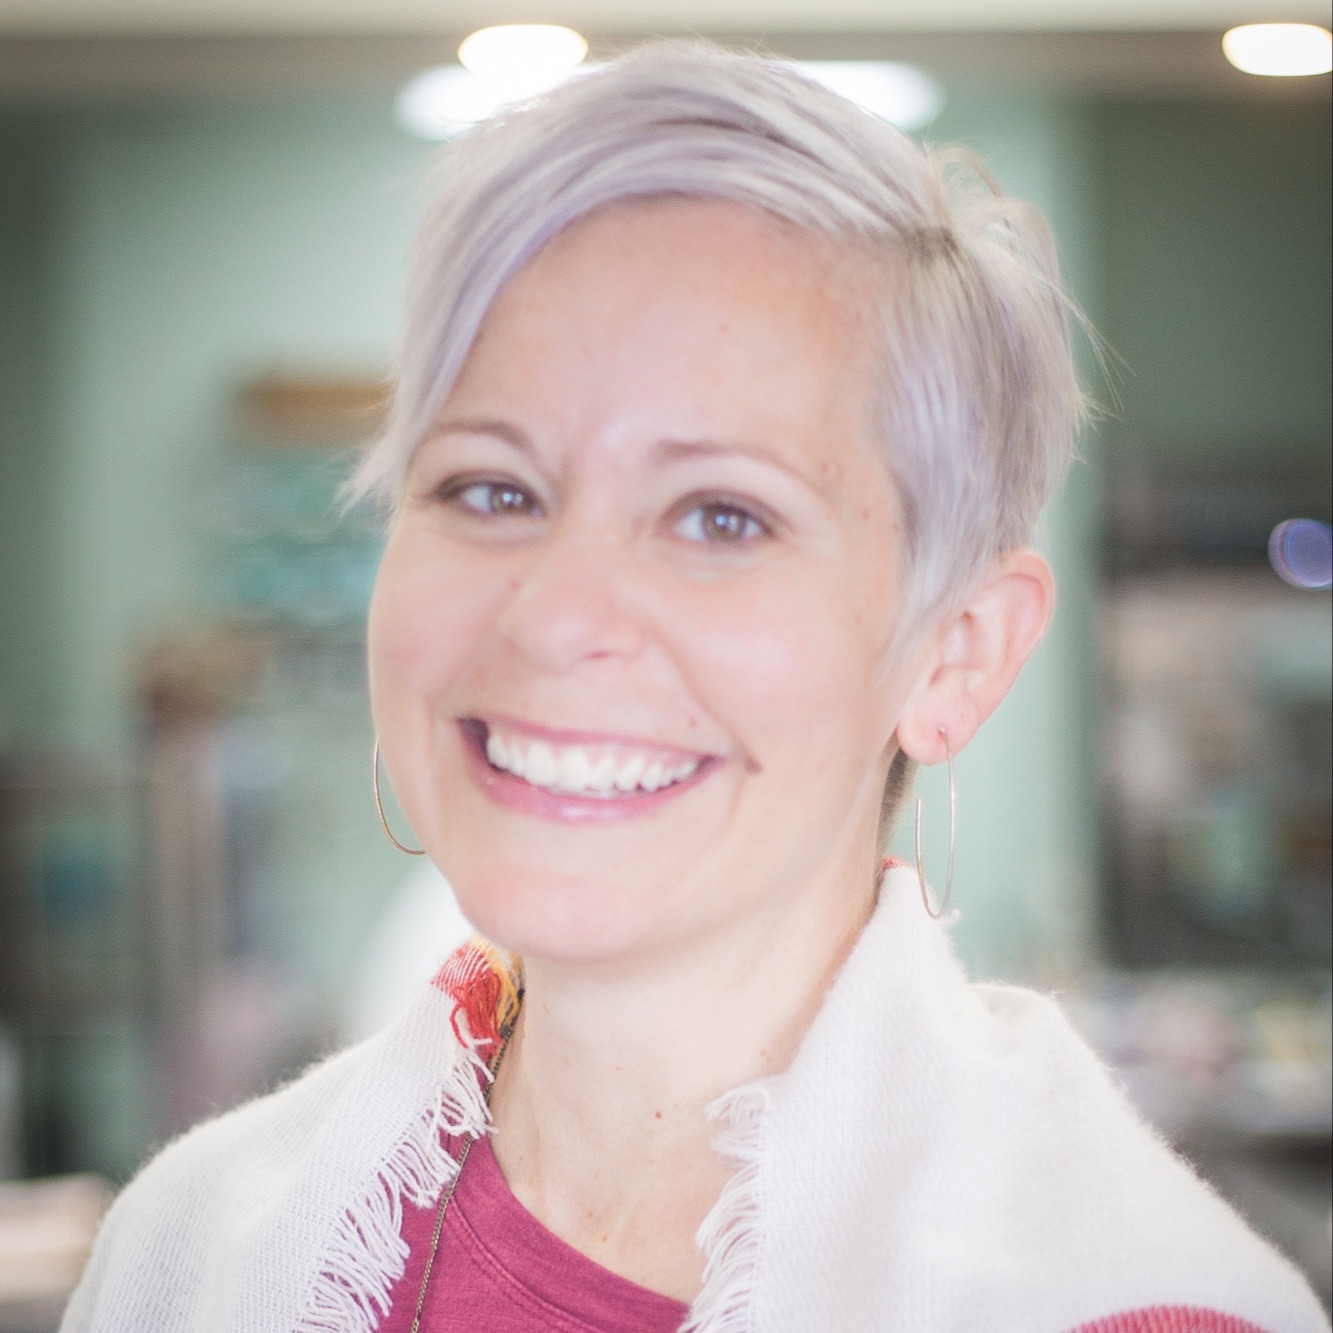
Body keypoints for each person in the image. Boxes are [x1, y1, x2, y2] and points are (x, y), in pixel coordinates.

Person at [61, 41, 1328, 1333]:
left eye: (721, 515)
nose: (554, 616)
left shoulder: (1123, 1310)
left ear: (956, 653)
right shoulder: (191, 1251)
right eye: (489, 488)